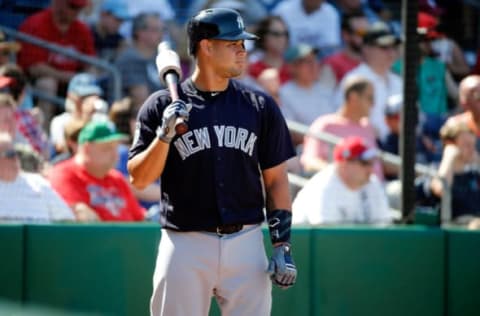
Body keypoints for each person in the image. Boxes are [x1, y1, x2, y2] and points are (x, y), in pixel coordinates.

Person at [127, 8, 297, 316]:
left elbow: (275, 180)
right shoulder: (162, 105)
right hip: (185, 242)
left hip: (246, 240)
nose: (243, 51)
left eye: (243, 44)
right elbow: (138, 179)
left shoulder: (259, 106)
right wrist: (164, 136)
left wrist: (282, 245)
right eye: (233, 43)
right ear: (206, 46)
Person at [49, 120, 146, 222]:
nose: (115, 155)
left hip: (129, 236)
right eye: (107, 148)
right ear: (86, 149)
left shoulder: (116, 178)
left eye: (116, 147)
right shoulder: (64, 174)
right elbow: (79, 218)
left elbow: (140, 218)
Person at [17, 0, 96, 123]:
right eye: (73, 6)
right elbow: (35, 68)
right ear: (59, 3)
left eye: (80, 8)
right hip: (35, 83)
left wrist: (85, 79)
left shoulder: (81, 29)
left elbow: (90, 63)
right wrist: (68, 77)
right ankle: (44, 132)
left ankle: (83, 133)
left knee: (89, 88)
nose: (76, 12)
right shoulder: (36, 23)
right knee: (47, 84)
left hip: (71, 84)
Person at [293, 136, 393, 225]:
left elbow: (384, 224)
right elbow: (325, 235)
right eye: (365, 163)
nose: (371, 169)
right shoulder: (323, 186)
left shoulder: (371, 182)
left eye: (372, 162)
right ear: (344, 164)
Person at [301, 75, 384, 180]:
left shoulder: (369, 127)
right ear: (353, 97)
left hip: (377, 191)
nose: (373, 103)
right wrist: (344, 177)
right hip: (342, 192)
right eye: (370, 98)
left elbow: (380, 162)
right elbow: (310, 162)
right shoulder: (325, 124)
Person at [334, 21, 402, 142]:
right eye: (384, 47)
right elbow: (343, 119)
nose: (391, 52)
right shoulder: (354, 79)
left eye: (393, 47)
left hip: (398, 145)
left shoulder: (398, 81)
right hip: (365, 146)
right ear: (366, 49)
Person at [0, 132, 75, 223]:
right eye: (10, 154)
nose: (16, 158)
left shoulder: (37, 182)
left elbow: (66, 220)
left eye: (16, 153)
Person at [279, 43, 336, 145]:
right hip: (303, 150)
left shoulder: (326, 91)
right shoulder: (284, 94)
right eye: (307, 62)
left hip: (332, 146)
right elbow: (291, 133)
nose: (313, 65)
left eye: (315, 60)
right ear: (292, 67)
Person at [115, 12, 165, 108]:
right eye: (155, 30)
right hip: (134, 118)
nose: (161, 34)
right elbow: (142, 99)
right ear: (140, 32)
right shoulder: (131, 59)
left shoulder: (158, 57)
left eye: (162, 29)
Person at [49, 72, 104, 155]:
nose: (89, 101)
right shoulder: (59, 121)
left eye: (92, 96)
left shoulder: (102, 119)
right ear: (71, 96)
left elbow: (107, 148)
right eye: (84, 96)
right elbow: (63, 149)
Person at [272, 0, 341, 57]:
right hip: (286, 57)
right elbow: (273, 42)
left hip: (317, 60)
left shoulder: (331, 13)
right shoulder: (283, 10)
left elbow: (330, 47)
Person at [321, 10, 369, 86]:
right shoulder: (332, 65)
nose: (366, 37)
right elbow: (324, 95)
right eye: (361, 33)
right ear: (345, 35)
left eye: (368, 33)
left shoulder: (375, 62)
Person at [248, 15, 291, 85]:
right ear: (263, 36)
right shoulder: (252, 70)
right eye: (276, 34)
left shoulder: (293, 70)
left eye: (285, 34)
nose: (282, 38)